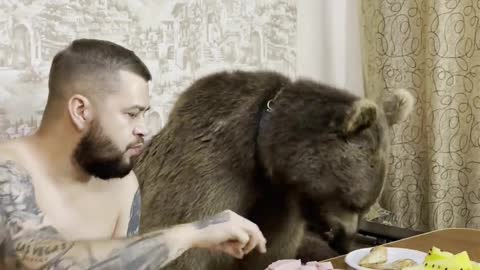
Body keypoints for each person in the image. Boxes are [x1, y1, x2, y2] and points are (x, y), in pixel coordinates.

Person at [0, 39, 267, 269]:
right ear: (81, 111)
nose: (144, 129)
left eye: (144, 114)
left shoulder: (122, 185)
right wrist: (191, 234)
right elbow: (37, 262)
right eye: (131, 114)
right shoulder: (6, 169)